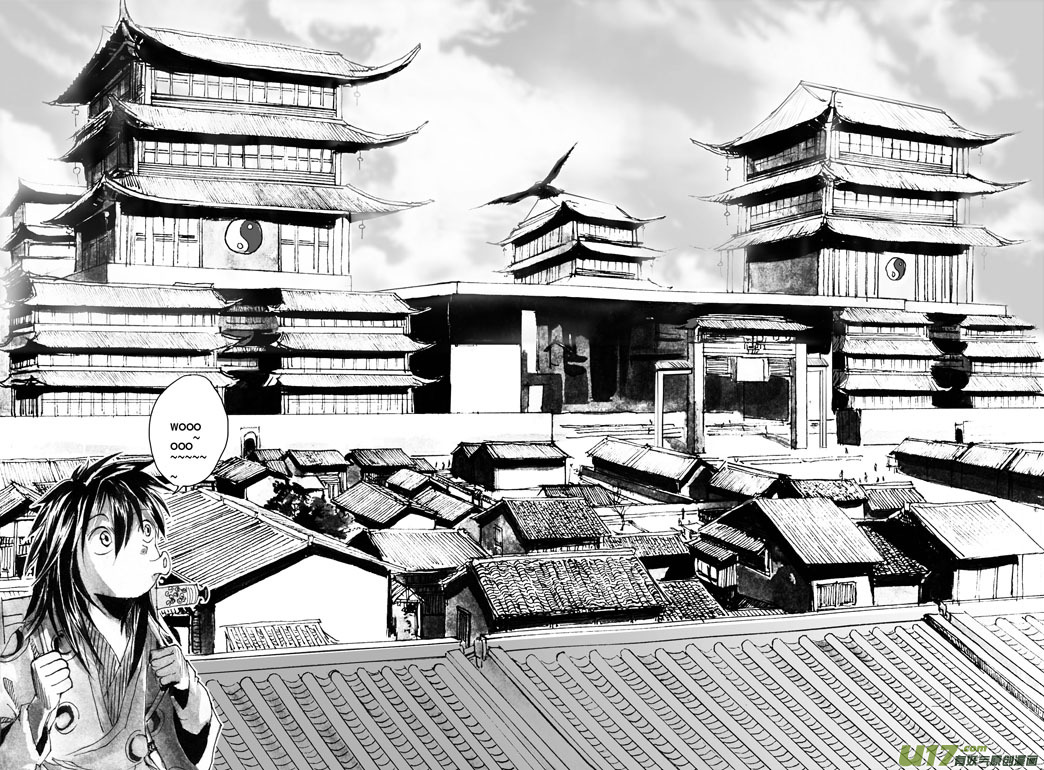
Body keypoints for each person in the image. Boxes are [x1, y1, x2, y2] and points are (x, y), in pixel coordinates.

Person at [0, 455, 219, 769]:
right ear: (69, 554)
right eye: (105, 537)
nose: (140, 547)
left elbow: (188, 753)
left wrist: (186, 688)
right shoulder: (33, 644)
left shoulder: (154, 637)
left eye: (146, 530)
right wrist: (38, 711)